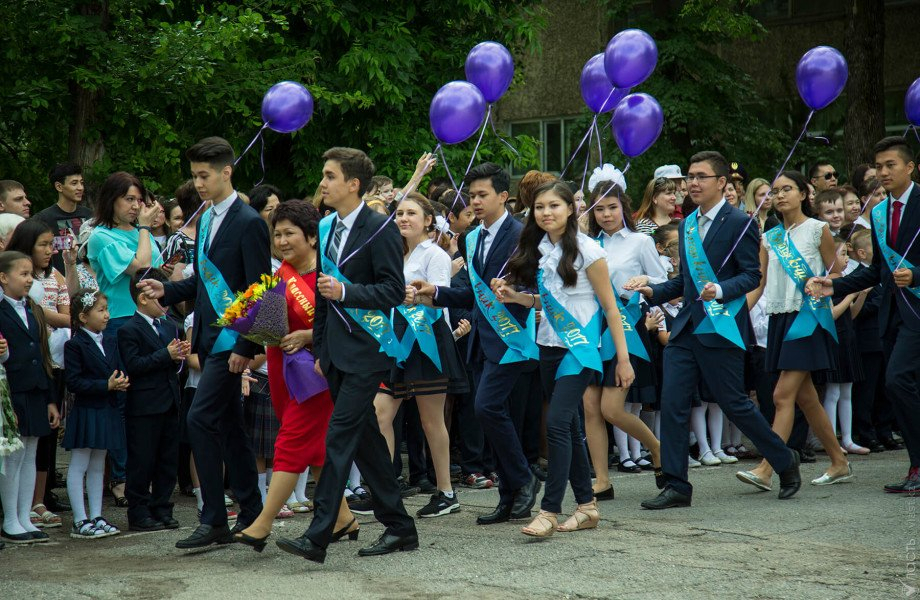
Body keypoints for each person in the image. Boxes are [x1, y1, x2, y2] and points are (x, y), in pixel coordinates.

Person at [626, 151, 802, 509]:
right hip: (687, 328)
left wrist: (720, 290)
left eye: (700, 176)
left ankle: (784, 460)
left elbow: (752, 275)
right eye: (689, 176)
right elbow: (685, 283)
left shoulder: (740, 221)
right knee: (673, 403)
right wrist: (654, 291)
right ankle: (677, 485)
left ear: (721, 182)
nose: (691, 183)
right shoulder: (688, 223)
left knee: (734, 403)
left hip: (721, 326)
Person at [274, 147, 416, 564]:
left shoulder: (381, 228)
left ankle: (318, 536)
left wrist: (348, 292)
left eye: (330, 176)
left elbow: (393, 291)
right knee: (367, 443)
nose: (323, 183)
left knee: (337, 439)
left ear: (353, 184)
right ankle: (401, 528)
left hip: (368, 352)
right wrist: (320, 344)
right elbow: (321, 291)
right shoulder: (327, 224)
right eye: (323, 175)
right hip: (335, 351)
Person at [138, 136, 270, 548]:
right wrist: (166, 291)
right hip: (211, 338)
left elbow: (261, 290)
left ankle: (215, 518)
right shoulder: (209, 217)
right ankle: (251, 513)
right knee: (230, 427)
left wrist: (247, 349)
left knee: (198, 420)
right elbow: (200, 282)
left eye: (204, 175)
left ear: (226, 172)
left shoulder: (248, 221)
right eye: (194, 175)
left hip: (234, 341)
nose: (198, 183)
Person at [491, 180, 635, 537]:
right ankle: (587, 507)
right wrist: (517, 298)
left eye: (554, 205)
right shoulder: (539, 249)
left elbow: (610, 309)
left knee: (555, 424)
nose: (546, 213)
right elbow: (552, 303)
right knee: (569, 427)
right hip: (549, 346)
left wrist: (623, 358)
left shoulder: (588, 250)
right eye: (540, 207)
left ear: (571, 208)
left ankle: (550, 510)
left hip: (580, 349)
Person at [412, 162, 542, 527]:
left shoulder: (523, 234)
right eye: (472, 196)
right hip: (481, 340)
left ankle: (523, 478)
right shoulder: (471, 239)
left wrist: (517, 296)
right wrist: (435, 292)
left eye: (483, 195)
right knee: (493, 417)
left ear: (503, 196)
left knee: (488, 409)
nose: (476, 201)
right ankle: (511, 496)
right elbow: (472, 293)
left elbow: (536, 289)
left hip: (513, 338)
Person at [234, 200, 359, 551]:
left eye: (290, 233)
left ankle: (262, 523)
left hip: (316, 375)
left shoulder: (329, 277)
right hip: (281, 370)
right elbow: (268, 329)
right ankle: (343, 518)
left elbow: (349, 325)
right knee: (316, 449)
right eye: (277, 234)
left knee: (289, 442)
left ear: (312, 237)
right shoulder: (279, 275)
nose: (283, 241)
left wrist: (307, 336)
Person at [808, 136, 920, 494]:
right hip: (896, 314)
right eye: (879, 166)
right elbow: (876, 270)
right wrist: (834, 286)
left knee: (897, 380)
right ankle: (917, 466)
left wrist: (917, 275)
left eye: (891, 165)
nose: (883, 172)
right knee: (898, 383)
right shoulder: (881, 212)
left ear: (910, 167)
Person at [736, 171, 851, 492]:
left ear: (804, 194)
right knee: (806, 398)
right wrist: (734, 312)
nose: (781, 195)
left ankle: (767, 467)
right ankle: (839, 462)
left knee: (781, 395)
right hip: (779, 318)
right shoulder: (769, 237)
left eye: (788, 189)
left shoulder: (818, 230)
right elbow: (758, 283)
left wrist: (822, 284)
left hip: (808, 318)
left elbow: (839, 274)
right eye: (776, 191)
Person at [375, 190, 468, 518]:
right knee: (380, 414)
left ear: (429, 221)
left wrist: (420, 298)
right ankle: (385, 491)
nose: (403, 218)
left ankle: (446, 491)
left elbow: (442, 297)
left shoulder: (435, 255)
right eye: (399, 213)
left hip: (427, 339)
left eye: (411, 213)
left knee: (431, 421)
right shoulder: (393, 253)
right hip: (396, 339)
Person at [583, 176, 665, 496]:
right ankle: (602, 480)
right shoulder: (588, 244)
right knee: (591, 408)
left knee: (612, 410)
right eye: (600, 209)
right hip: (591, 331)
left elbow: (661, 282)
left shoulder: (640, 242)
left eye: (612, 207)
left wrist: (644, 278)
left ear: (623, 207)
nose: (606, 214)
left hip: (627, 329)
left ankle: (657, 449)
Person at [118, 271, 188, 531]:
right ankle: (138, 512)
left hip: (170, 401)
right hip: (144, 406)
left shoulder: (170, 325)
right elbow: (133, 365)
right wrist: (166, 354)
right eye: (159, 296)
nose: (165, 302)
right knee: (142, 461)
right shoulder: (128, 329)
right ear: (142, 298)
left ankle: (162, 507)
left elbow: (174, 363)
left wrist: (179, 356)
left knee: (167, 460)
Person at [0, 251, 60, 544]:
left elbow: (42, 354)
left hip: (36, 389)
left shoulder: (33, 309)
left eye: (30, 274)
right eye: (22, 274)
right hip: (12, 390)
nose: (28, 279)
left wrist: (50, 398)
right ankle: (10, 519)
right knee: (13, 454)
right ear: (3, 277)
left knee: (30, 453)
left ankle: (24, 516)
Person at [63, 288, 126, 539]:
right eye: (100, 310)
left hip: (106, 408)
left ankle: (97, 515)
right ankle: (79, 519)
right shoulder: (74, 344)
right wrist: (106, 385)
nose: (107, 315)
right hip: (87, 409)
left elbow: (117, 370)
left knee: (99, 463)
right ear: (83, 317)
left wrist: (120, 382)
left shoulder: (110, 341)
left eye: (107, 309)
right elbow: (74, 382)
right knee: (80, 463)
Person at [35, 163, 90, 275]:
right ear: (59, 186)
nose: (80, 188)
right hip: (58, 283)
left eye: (81, 183)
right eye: (74, 183)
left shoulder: (90, 216)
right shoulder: (42, 219)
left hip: (91, 283)